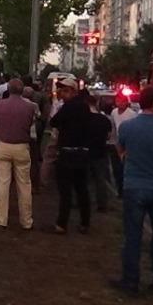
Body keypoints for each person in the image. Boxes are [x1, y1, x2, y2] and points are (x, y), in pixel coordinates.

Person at [113, 87, 153, 295]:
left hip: (134, 186)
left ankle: (130, 281)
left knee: (133, 236)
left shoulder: (128, 127)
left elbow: (120, 150)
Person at [0, 78, 37, 230]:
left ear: (8, 90)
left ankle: (1, 219)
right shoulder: (30, 107)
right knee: (24, 184)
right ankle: (26, 221)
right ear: (22, 90)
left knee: (2, 183)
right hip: (21, 147)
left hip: (2, 145)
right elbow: (30, 124)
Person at [50, 77, 92, 234]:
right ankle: (85, 222)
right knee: (82, 190)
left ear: (73, 91)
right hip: (82, 153)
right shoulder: (85, 107)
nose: (62, 93)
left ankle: (62, 224)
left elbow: (54, 122)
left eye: (65, 90)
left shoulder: (68, 107)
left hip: (67, 153)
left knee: (65, 191)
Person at [86, 93, 114, 213]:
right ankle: (102, 204)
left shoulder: (84, 118)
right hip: (100, 152)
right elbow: (108, 136)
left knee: (84, 180)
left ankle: (83, 202)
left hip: (86, 152)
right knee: (100, 180)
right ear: (96, 104)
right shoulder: (104, 120)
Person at [109, 93, 137, 198]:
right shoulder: (114, 112)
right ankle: (119, 190)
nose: (120, 103)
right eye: (117, 101)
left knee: (125, 169)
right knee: (116, 169)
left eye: (122, 101)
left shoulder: (132, 114)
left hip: (128, 145)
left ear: (126, 102)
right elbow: (113, 129)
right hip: (117, 143)